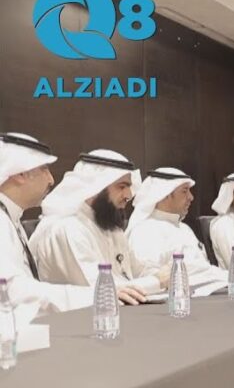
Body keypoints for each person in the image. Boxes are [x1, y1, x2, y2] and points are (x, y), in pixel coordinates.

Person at [0, 134, 145, 312]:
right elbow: (13, 292)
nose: (51, 180)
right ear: (20, 173)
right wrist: (156, 282)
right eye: (44, 169)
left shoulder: (11, 219)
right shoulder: (65, 228)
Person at [29, 150, 168, 294]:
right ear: (95, 186)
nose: (128, 195)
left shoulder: (109, 224)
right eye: (122, 187)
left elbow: (134, 269)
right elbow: (101, 290)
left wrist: (164, 273)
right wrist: (156, 281)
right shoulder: (66, 228)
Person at [126, 167, 227, 285]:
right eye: (184, 191)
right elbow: (151, 277)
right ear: (165, 194)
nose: (191, 197)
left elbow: (204, 268)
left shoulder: (185, 229)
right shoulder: (144, 231)